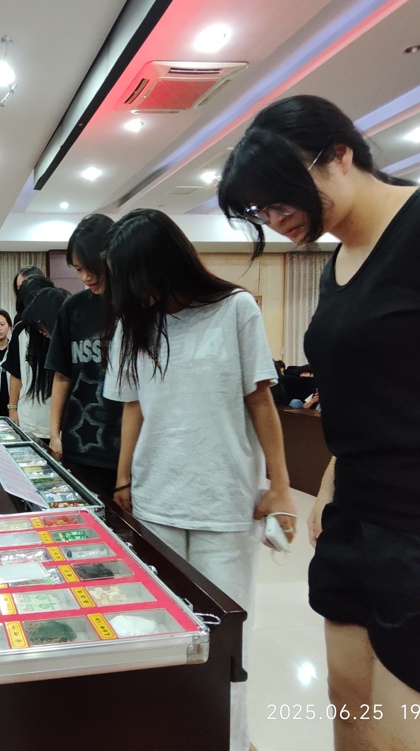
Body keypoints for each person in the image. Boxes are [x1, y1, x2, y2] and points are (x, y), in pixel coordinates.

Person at [217, 94, 420, 750]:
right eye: (260, 211)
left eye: (280, 199)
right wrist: (337, 471)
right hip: (357, 532)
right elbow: (383, 383)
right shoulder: (336, 262)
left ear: (340, 154)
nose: (275, 219)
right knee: (353, 722)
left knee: (409, 737)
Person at [101, 209, 294, 751]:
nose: (128, 292)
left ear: (163, 265)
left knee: (225, 642)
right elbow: (133, 407)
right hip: (156, 500)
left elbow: (261, 401)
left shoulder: (236, 310)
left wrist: (280, 487)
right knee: (163, 633)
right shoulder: (134, 326)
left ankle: (230, 739)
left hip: (224, 502)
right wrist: (123, 481)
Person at [46, 214, 123, 496]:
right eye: (78, 269)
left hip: (126, 447)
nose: (86, 277)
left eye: (93, 268)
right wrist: (54, 433)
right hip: (80, 444)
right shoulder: (73, 308)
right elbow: (62, 375)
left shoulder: (135, 305)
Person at [6, 281, 69, 442]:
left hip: (60, 425)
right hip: (28, 421)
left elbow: (63, 380)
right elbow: (16, 373)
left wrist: (55, 433)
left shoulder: (65, 337)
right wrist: (12, 408)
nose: (40, 331)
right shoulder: (22, 331)